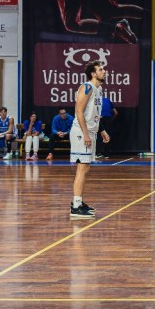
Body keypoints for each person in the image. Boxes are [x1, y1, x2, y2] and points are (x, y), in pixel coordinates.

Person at [69, 60, 109, 219]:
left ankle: (79, 202)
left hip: (91, 131)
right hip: (81, 131)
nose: (104, 72)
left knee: (85, 168)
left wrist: (102, 130)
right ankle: (76, 206)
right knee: (82, 167)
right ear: (93, 74)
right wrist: (85, 133)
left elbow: (94, 114)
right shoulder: (87, 87)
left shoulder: (99, 89)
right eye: (100, 69)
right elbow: (78, 111)